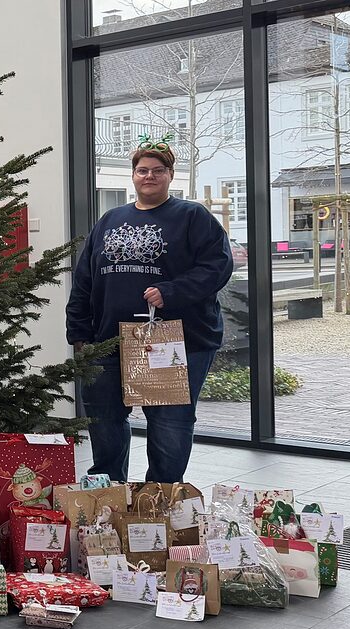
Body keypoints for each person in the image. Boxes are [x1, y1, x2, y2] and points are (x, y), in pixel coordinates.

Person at [65, 135, 233, 483]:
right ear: (133, 176)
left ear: (171, 175)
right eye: (142, 170)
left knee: (169, 422)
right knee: (104, 420)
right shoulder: (110, 219)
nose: (149, 176)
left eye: (158, 170)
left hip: (171, 341)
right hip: (108, 340)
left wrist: (171, 292)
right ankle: (108, 493)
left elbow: (217, 267)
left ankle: (162, 497)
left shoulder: (192, 217)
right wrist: (79, 333)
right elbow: (84, 280)